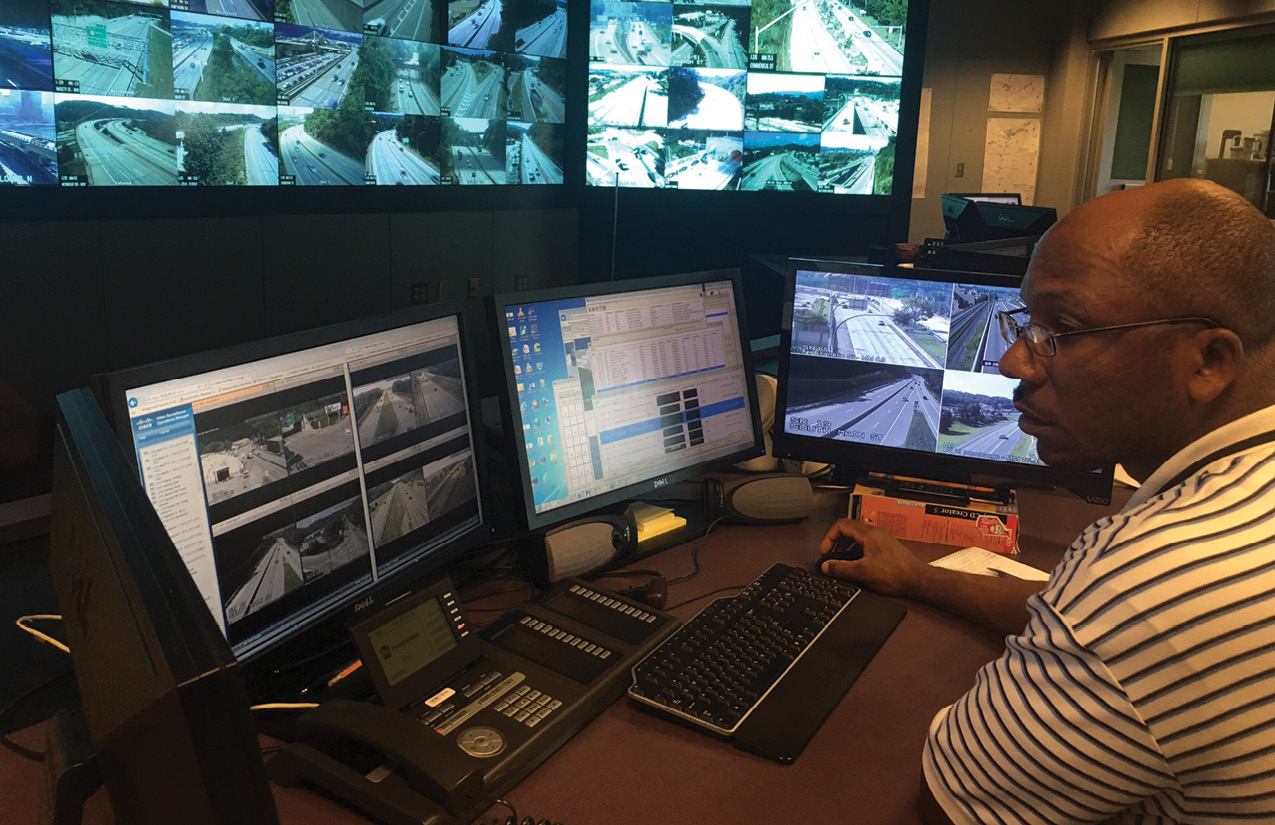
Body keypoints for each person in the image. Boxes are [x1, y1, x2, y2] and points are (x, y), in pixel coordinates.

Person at [818, 178, 1275, 825]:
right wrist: (917, 576)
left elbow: (953, 799)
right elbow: (1069, 609)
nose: (1011, 361)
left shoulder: (1164, 572)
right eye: (1024, 323)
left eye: (1059, 329)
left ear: (1208, 359)